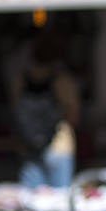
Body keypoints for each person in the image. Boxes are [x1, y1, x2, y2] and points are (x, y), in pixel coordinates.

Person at [16, 39, 80, 190]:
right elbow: (73, 115)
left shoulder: (22, 79)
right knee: (59, 200)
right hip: (59, 146)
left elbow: (17, 112)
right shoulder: (62, 80)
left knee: (30, 200)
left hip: (30, 146)